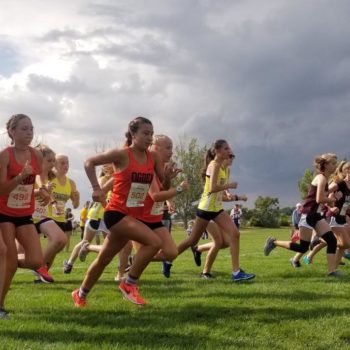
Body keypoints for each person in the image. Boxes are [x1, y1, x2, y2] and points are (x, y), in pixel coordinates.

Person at [72, 116, 164, 307]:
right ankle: (129, 284)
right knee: (155, 242)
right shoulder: (122, 154)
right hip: (116, 213)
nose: (149, 138)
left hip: (133, 214)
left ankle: (80, 294)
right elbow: (89, 162)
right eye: (145, 133)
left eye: (151, 134)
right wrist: (96, 188)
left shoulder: (153, 157)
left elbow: (163, 184)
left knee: (104, 259)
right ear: (133, 133)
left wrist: (169, 177)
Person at [176, 139, 255, 282]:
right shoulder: (215, 165)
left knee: (234, 234)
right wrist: (230, 187)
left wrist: (231, 194)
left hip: (216, 209)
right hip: (206, 209)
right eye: (227, 150)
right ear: (217, 151)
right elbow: (212, 189)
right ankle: (168, 258)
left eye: (231, 152)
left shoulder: (226, 170)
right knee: (195, 240)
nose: (230, 154)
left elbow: (221, 193)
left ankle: (236, 273)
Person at [0, 114, 48, 319]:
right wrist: (20, 176)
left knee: (37, 260)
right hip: (3, 213)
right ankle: (0, 307)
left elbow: (40, 180)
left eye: (31, 128)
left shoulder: (36, 155)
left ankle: (6, 263)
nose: (29, 133)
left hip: (24, 213)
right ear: (11, 131)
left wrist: (44, 191)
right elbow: (2, 190)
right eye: (24, 129)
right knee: (8, 262)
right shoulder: (5, 156)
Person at [264, 153, 339, 276]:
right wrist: (332, 199)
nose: (335, 166)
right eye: (333, 163)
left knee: (332, 240)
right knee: (302, 248)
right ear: (325, 165)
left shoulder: (325, 179)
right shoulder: (321, 178)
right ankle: (274, 242)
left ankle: (331, 272)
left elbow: (319, 200)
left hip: (315, 215)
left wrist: (331, 205)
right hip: (307, 215)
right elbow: (319, 199)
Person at [31, 144, 67, 283]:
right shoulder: (35, 174)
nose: (53, 163)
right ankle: (37, 266)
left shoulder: (50, 178)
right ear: (39, 160)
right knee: (17, 257)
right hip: (27, 218)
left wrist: (53, 203)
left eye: (54, 161)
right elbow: (39, 185)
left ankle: (40, 268)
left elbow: (45, 193)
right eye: (49, 160)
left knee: (61, 239)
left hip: (41, 217)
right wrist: (43, 189)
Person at [48, 154, 80, 253]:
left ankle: (44, 267)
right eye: (62, 163)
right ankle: (41, 265)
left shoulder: (71, 183)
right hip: (44, 217)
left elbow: (75, 206)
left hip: (60, 217)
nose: (66, 166)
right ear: (55, 164)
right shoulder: (48, 178)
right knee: (57, 242)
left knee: (56, 248)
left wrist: (77, 199)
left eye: (67, 163)